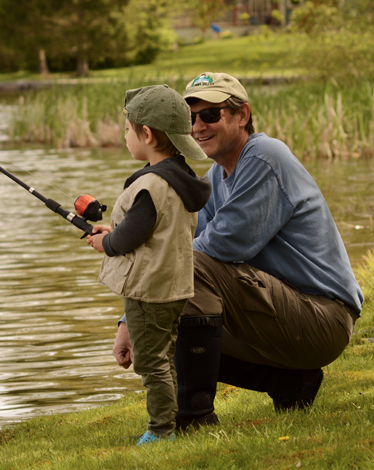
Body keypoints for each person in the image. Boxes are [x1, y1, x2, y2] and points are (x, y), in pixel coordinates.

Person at [112, 72, 364, 431]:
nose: (198, 126)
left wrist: (142, 306)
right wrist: (131, 322)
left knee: (186, 270)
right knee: (170, 307)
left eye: (210, 115)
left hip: (322, 318)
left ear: (242, 115)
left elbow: (220, 247)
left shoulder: (264, 156)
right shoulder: (216, 177)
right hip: (284, 320)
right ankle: (289, 383)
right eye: (191, 118)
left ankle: (195, 419)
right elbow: (175, 249)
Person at [87, 84, 212, 444]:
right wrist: (115, 230)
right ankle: (171, 421)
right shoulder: (180, 178)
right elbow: (153, 228)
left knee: (151, 363)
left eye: (128, 130)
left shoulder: (150, 185)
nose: (125, 136)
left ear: (146, 134)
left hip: (148, 291)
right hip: (173, 286)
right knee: (163, 355)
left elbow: (127, 240)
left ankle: (161, 431)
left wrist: (104, 242)